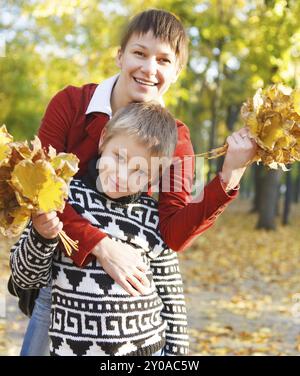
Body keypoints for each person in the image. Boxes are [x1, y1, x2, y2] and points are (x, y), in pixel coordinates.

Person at [15, 8, 257, 355]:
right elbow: (39, 193)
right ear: (120, 55)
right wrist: (101, 244)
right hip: (62, 291)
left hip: (132, 309)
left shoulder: (176, 140)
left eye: (163, 60)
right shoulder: (71, 104)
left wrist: (230, 174)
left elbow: (172, 232)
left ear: (177, 71)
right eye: (139, 53)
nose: (149, 69)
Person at [11, 102, 189, 356]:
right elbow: (24, 277)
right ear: (104, 139)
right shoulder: (63, 199)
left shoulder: (152, 217)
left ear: (154, 176)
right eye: (119, 156)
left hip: (144, 350)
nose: (123, 174)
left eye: (139, 170)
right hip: (71, 350)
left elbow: (172, 300)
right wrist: (42, 236)